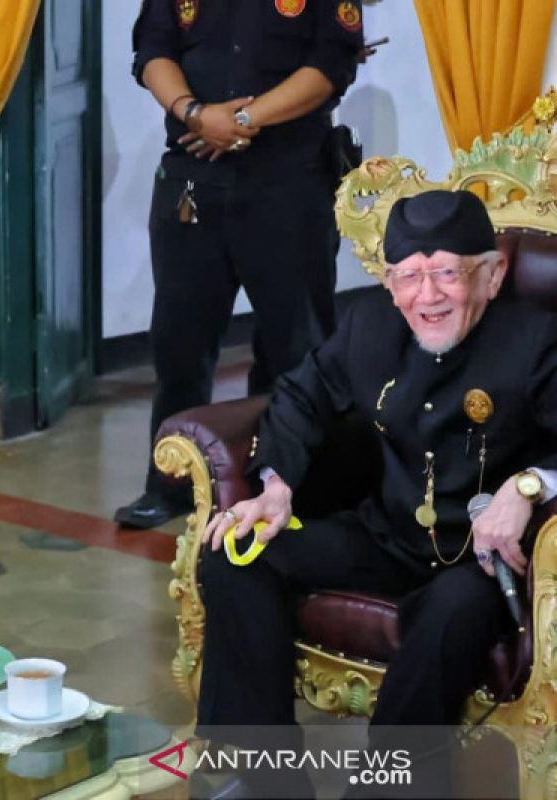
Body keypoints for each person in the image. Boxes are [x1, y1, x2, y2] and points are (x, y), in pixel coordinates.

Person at [194, 190, 557, 797]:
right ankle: (265, 776)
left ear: (491, 275)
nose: (428, 296)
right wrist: (275, 488)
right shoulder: (369, 325)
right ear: (389, 285)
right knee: (235, 552)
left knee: (448, 615)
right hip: (386, 533)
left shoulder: (538, 340)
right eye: (409, 277)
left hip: (481, 563)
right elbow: (299, 397)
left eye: (447, 273)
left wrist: (527, 486)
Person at [115, 0, 365, 529]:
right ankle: (171, 484)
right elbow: (152, 50)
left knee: (295, 349)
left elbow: (330, 66)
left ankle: (286, 483)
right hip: (192, 181)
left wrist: (243, 120)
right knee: (179, 345)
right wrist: (195, 114)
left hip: (289, 183)